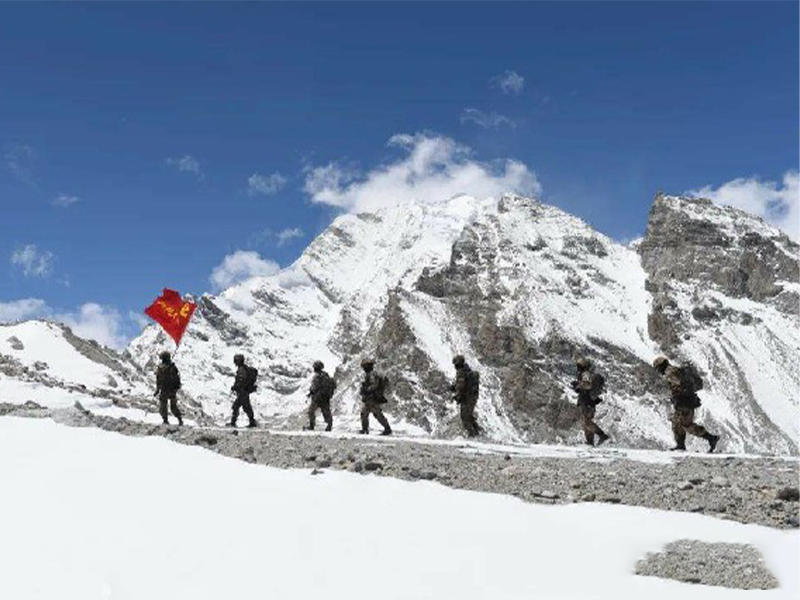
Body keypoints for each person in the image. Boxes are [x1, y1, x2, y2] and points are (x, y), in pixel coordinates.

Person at [653, 356, 719, 453]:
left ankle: (711, 438)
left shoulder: (669, 372)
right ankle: (681, 445)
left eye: (658, 369)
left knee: (685, 424)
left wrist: (677, 394)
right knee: (677, 423)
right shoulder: (674, 370)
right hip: (685, 401)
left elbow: (680, 384)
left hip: (684, 402)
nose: (659, 372)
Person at [570, 357, 609, 446]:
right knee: (586, 424)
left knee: (586, 422)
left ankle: (602, 435)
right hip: (589, 401)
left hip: (586, 401)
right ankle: (590, 443)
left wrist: (578, 385)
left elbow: (587, 385)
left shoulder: (585, 374)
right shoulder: (585, 374)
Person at [359, 358, 392, 435]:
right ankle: (365, 429)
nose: (363, 368)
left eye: (364, 366)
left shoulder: (372, 374)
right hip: (370, 398)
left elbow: (374, 385)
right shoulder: (370, 374)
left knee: (377, 414)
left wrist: (366, 389)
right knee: (364, 413)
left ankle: (387, 429)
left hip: (372, 398)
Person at [450, 355, 481, 437]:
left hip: (467, 397)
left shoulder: (461, 372)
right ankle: (477, 432)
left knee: (465, 417)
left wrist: (455, 392)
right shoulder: (467, 371)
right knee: (469, 415)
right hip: (472, 397)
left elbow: (461, 386)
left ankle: (472, 435)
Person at [154, 351, 183, 426]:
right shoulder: (170, 367)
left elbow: (159, 380)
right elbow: (158, 379)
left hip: (168, 389)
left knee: (167, 406)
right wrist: (157, 389)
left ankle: (174, 420)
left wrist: (157, 389)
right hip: (169, 389)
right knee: (167, 406)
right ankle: (171, 420)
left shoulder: (168, 367)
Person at [229, 354, 258, 428]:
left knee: (237, 406)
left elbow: (241, 381)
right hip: (244, 391)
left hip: (242, 391)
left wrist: (235, 387)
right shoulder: (244, 368)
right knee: (246, 407)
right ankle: (251, 421)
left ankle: (233, 422)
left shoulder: (242, 370)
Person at [306, 360, 335, 431]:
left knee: (311, 411)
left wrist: (311, 392)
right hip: (325, 398)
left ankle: (311, 426)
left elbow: (314, 387)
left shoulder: (317, 376)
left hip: (317, 398)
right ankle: (329, 426)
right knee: (326, 412)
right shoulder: (326, 375)